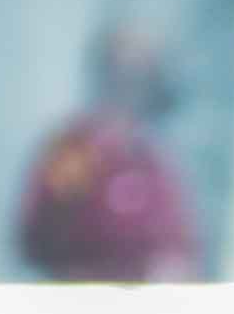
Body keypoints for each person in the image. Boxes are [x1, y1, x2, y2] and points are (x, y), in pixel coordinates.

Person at [15, 25, 203, 284]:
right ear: (106, 78)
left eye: (144, 77)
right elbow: (40, 237)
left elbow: (180, 246)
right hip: (81, 309)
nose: (133, 88)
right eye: (125, 75)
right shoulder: (74, 151)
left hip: (149, 312)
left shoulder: (151, 160)